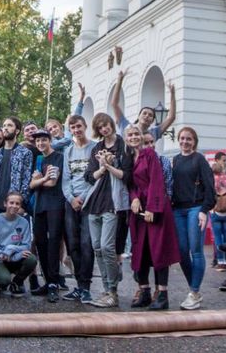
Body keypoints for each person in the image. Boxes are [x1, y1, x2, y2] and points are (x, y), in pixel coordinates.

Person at [125, 124, 179, 310]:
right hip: (137, 210)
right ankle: (145, 292)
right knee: (141, 251)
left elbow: (157, 181)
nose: (133, 137)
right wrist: (133, 199)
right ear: (126, 138)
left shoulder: (150, 155)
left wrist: (152, 208)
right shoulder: (129, 158)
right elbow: (130, 184)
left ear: (141, 136)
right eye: (130, 134)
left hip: (155, 208)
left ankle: (162, 295)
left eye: (136, 134)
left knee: (158, 250)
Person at [83, 112, 130, 308]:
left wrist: (110, 165)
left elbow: (126, 176)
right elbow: (89, 176)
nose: (105, 128)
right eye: (100, 126)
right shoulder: (97, 148)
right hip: (95, 202)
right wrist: (102, 167)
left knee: (107, 247)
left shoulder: (123, 146)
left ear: (111, 124)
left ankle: (113, 291)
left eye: (106, 124)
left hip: (113, 203)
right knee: (97, 248)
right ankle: (106, 289)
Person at [170, 124, 215, 310]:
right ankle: (193, 289)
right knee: (181, 252)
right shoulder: (175, 160)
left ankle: (194, 292)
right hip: (178, 210)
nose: (185, 141)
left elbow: (210, 188)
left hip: (196, 208)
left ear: (194, 142)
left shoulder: (199, 159)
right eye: (182, 138)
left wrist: (205, 210)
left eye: (189, 139)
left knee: (196, 250)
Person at [60, 112, 96, 303]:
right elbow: (65, 179)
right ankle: (79, 285)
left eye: (79, 126)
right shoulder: (68, 151)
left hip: (89, 202)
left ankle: (86, 286)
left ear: (85, 126)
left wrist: (82, 198)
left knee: (86, 244)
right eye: (73, 127)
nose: (76, 130)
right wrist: (71, 198)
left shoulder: (94, 148)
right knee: (72, 244)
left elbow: (96, 178)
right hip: (71, 203)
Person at [28, 130, 64, 302]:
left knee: (53, 242)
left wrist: (39, 180)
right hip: (40, 206)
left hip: (55, 205)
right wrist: (41, 180)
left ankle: (54, 283)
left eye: (44, 140)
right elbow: (32, 184)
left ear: (50, 141)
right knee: (40, 242)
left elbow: (52, 182)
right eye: (38, 141)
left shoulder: (58, 157)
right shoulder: (39, 159)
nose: (41, 143)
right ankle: (47, 281)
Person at [0, 192, 38, 295]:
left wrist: (12, 251)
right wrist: (7, 254)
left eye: (17, 203)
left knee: (31, 259)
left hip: (15, 257)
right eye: (11, 202)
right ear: (5, 204)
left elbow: (26, 245)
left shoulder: (24, 222)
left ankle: (17, 282)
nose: (14, 206)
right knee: (4, 281)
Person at [110, 70, 177, 141]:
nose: (147, 116)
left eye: (150, 115)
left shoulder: (154, 132)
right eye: (144, 113)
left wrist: (172, 94)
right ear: (138, 116)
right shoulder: (125, 126)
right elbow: (114, 103)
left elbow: (171, 117)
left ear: (152, 121)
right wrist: (120, 80)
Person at [0, 117, 34, 214]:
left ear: (17, 131)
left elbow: (26, 180)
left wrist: (22, 203)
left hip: (14, 206)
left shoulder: (25, 153)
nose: (5, 128)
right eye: (4, 126)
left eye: (9, 125)